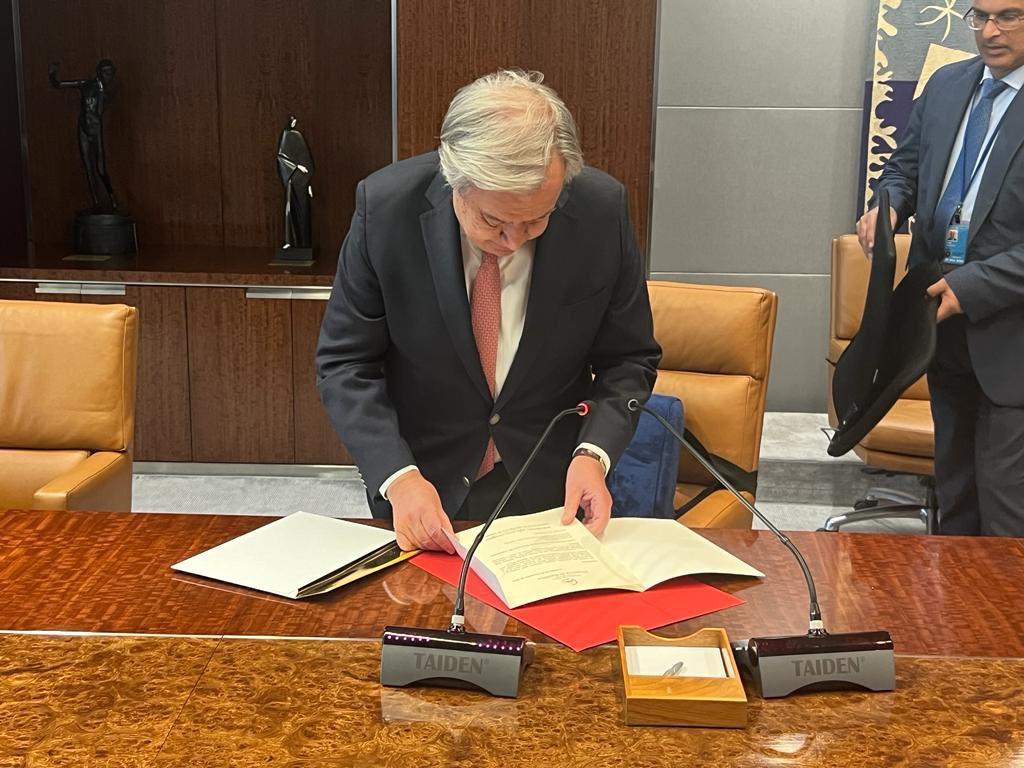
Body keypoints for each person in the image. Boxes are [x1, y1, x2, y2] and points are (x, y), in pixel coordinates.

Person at [316, 70, 661, 552]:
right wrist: (398, 477)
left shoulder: (601, 212)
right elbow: (345, 363)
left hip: (551, 482)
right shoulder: (386, 210)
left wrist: (593, 453)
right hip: (421, 484)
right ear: (453, 178)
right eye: (493, 220)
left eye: (536, 219)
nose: (514, 241)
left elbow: (628, 358)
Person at [857, 0, 1024, 536]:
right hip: (938, 322)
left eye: (1009, 16)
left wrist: (971, 285)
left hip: (1011, 335)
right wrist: (888, 206)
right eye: (980, 16)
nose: (990, 31)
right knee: (954, 498)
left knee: (1005, 512)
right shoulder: (949, 85)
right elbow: (903, 167)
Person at [49, 59, 119, 211]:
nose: (109, 77)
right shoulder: (86, 84)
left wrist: (101, 91)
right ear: (99, 72)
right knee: (88, 169)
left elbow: (99, 112)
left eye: (111, 73)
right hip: (83, 130)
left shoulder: (106, 92)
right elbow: (59, 85)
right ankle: (96, 203)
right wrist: (52, 74)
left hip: (95, 131)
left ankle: (112, 197)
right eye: (106, 73)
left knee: (101, 170)